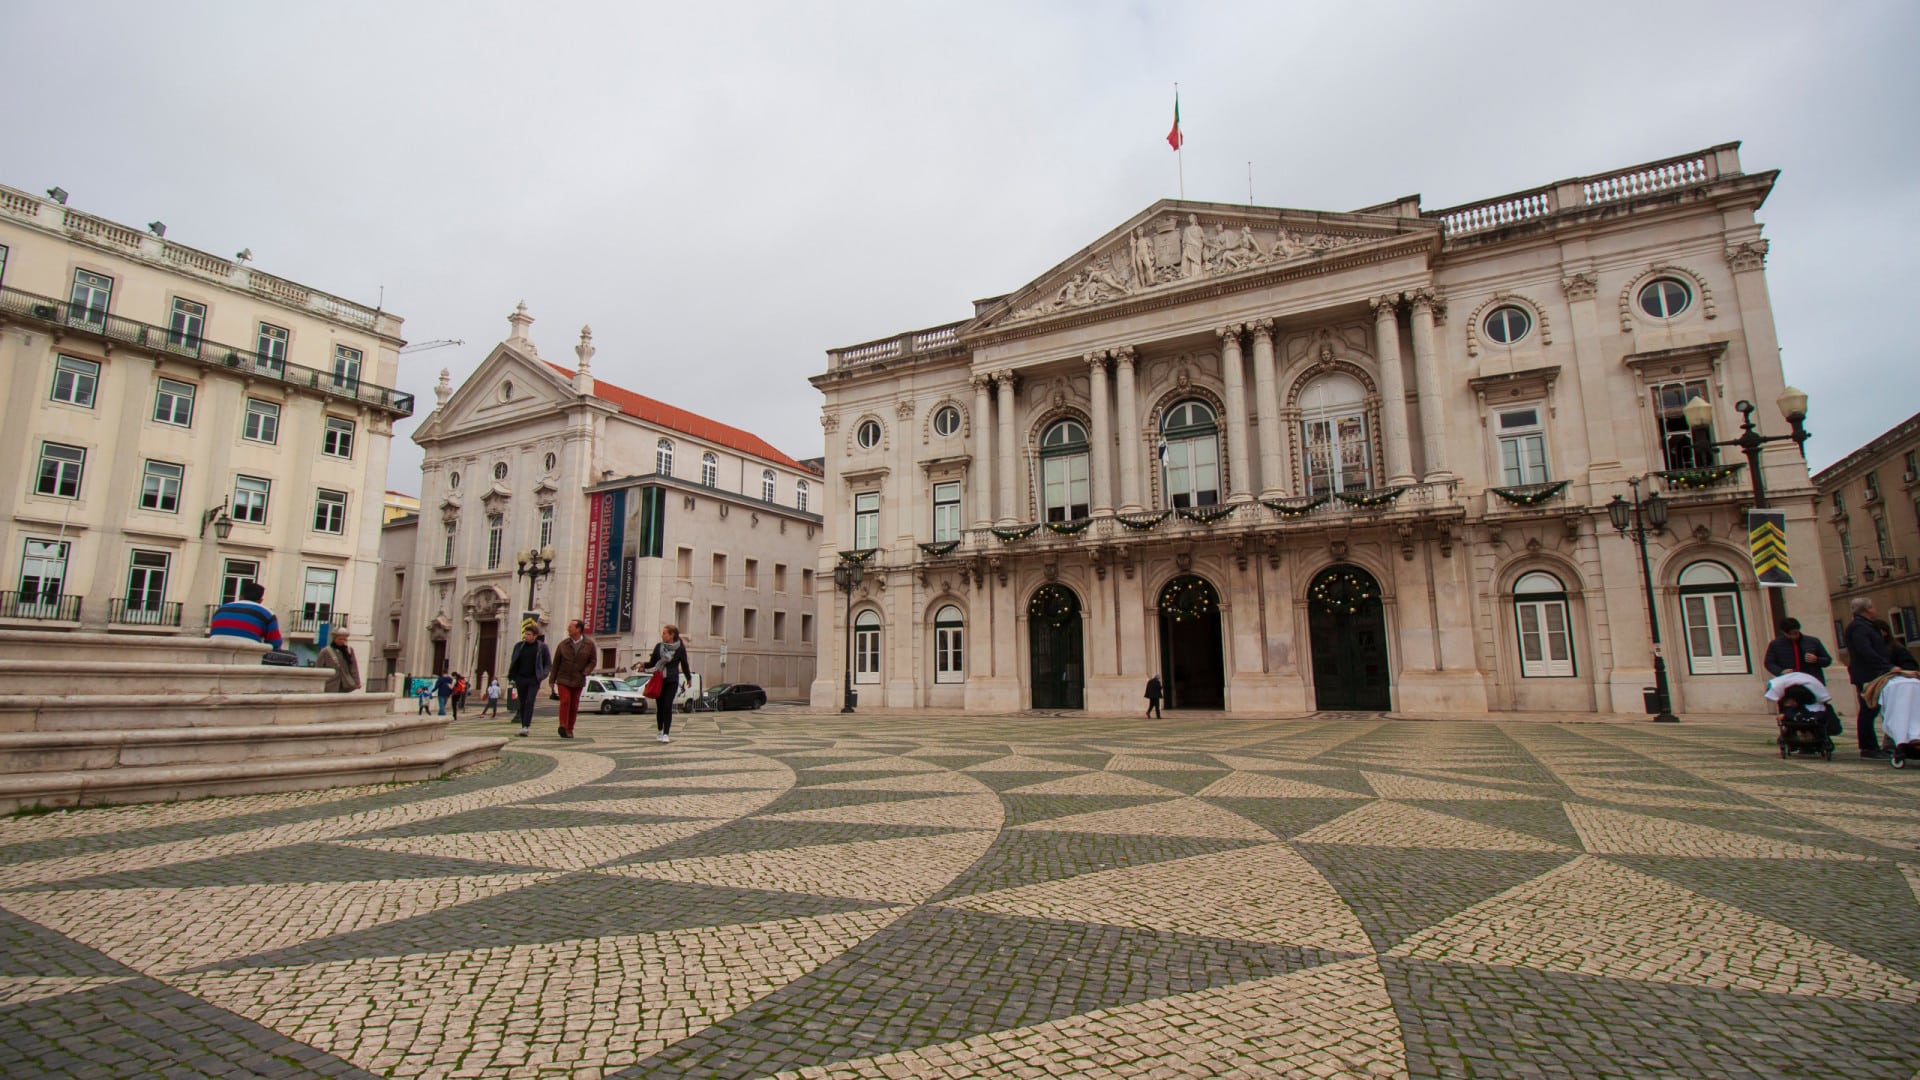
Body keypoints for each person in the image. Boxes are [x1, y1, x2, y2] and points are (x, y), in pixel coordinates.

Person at [1845, 597, 1896, 758]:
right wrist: (1887, 667)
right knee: (1868, 710)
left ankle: (1872, 745)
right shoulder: (1859, 627)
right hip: (1867, 674)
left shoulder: (1865, 626)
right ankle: (1868, 747)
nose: (1875, 609)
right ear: (1867, 610)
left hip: (1871, 673)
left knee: (1871, 710)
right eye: (1873, 607)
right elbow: (1865, 650)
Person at [639, 624, 692, 743]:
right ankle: (660, 730)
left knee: (667, 706)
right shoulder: (659, 647)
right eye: (662, 633)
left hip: (672, 680)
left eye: (664, 633)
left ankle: (666, 733)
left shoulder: (680, 649)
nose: (662, 635)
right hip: (659, 680)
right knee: (660, 707)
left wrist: (688, 678)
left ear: (672, 635)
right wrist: (643, 665)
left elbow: (684, 664)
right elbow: (653, 663)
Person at [550, 619, 596, 738]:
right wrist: (552, 680)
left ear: (578, 629)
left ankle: (570, 728)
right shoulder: (563, 644)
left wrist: (586, 671)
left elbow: (593, 661)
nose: (568, 629)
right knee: (565, 701)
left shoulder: (589, 644)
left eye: (570, 627)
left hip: (578, 678)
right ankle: (563, 726)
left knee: (574, 705)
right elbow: (556, 663)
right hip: (563, 677)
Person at [209, 582, 283, 649]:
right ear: (260, 600)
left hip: (215, 650)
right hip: (247, 652)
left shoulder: (221, 609)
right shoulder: (267, 613)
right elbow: (275, 644)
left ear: (240, 597)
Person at [506, 626, 550, 737]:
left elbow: (548, 663)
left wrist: (542, 675)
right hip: (521, 678)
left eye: (529, 634)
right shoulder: (519, 646)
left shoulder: (542, 647)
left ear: (535, 636)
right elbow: (514, 660)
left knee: (530, 701)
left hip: (533, 679)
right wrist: (513, 675)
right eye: (525, 634)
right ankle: (523, 725)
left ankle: (526, 726)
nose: (526, 636)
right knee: (522, 702)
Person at [1763, 618, 1832, 684]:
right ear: (1783, 632)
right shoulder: (1776, 644)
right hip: (1788, 681)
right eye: (1789, 634)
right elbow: (1769, 662)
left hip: (1812, 680)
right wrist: (1780, 672)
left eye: (1795, 633)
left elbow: (1827, 660)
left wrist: (1816, 659)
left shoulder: (1813, 641)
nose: (1793, 636)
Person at [316, 629, 361, 693]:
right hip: (330, 684)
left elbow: (353, 667)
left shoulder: (349, 650)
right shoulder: (325, 651)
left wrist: (357, 682)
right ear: (334, 638)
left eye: (345, 639)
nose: (342, 641)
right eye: (340, 639)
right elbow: (319, 668)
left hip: (346, 684)